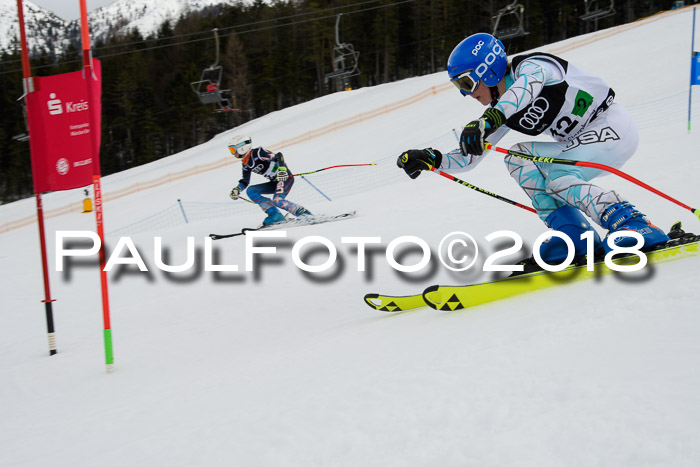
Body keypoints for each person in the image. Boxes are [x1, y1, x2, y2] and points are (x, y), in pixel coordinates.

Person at [397, 32, 669, 264]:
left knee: (559, 176)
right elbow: (470, 160)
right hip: (580, 144)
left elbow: (526, 88)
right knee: (519, 157)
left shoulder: (535, 67)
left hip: (611, 126)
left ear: (487, 69)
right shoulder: (502, 110)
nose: (466, 93)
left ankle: (634, 225)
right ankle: (575, 235)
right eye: (459, 86)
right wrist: (432, 159)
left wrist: (489, 120)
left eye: (466, 83)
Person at [228, 135, 312, 226]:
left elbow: (278, 156)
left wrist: (282, 169)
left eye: (233, 150)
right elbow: (245, 181)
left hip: (284, 178)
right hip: (274, 183)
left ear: (241, 147)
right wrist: (237, 189)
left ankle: (304, 213)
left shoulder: (257, 153)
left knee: (277, 200)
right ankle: (275, 214)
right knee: (251, 190)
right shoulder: (245, 164)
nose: (233, 153)